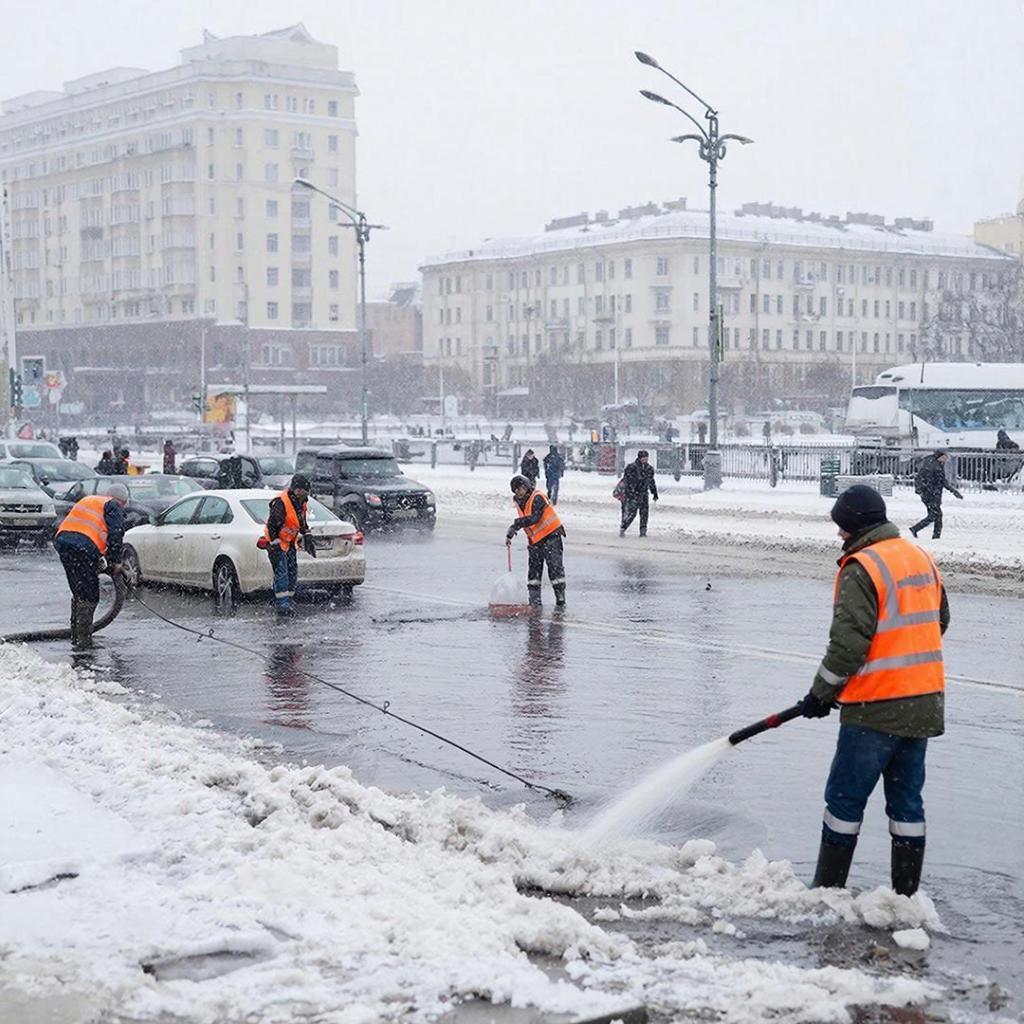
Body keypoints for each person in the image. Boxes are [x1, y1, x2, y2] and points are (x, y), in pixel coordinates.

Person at [798, 484, 949, 897]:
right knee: (906, 804)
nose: (838, 535)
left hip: (876, 707)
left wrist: (821, 694)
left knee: (845, 801)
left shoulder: (862, 566)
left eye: (841, 527)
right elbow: (940, 621)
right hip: (924, 705)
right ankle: (906, 896)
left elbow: (848, 644)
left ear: (855, 526)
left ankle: (827, 891)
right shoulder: (918, 556)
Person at [54, 482, 129, 649]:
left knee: (79, 589)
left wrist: (103, 561)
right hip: (83, 546)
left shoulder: (90, 500)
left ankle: (76, 634)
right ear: (122, 501)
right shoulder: (113, 505)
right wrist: (115, 562)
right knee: (90, 594)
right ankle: (83, 640)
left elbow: (86, 528)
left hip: (63, 542)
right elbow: (116, 533)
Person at [506, 474, 565, 609]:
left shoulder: (537, 497)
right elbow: (527, 520)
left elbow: (534, 518)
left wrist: (515, 525)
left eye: (520, 488)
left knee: (555, 569)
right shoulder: (519, 503)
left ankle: (560, 599)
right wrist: (511, 533)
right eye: (515, 490)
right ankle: (534, 601)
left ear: (526, 487)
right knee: (534, 572)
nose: (518, 492)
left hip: (552, 535)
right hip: (535, 540)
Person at [261, 473, 316, 616]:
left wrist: (307, 535)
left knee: (292, 574)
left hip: (289, 543)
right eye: (305, 491)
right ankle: (282, 606)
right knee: (282, 574)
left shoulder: (301, 503)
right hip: (277, 544)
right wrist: (275, 542)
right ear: (297, 490)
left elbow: (301, 522)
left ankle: (287, 601)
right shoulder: (281, 503)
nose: (307, 494)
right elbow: (272, 525)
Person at [910, 451, 962, 539]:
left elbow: (925, 479)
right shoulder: (936, 467)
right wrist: (953, 491)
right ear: (940, 457)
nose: (946, 460)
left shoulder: (930, 462)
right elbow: (942, 482)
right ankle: (919, 529)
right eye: (945, 457)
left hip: (927, 494)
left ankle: (932, 534)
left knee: (935, 515)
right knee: (935, 515)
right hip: (931, 495)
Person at [619, 450, 658, 537]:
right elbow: (627, 480)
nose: (645, 459)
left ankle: (643, 531)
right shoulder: (631, 467)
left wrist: (654, 492)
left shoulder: (649, 469)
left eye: (646, 457)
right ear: (639, 458)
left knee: (644, 513)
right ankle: (623, 527)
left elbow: (651, 481)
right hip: (633, 494)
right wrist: (631, 491)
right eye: (643, 458)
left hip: (644, 494)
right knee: (632, 513)